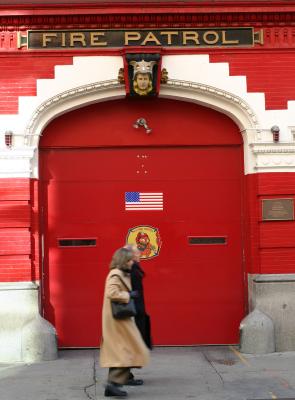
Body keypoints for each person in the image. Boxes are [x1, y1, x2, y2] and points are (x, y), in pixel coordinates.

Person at [100, 247, 150, 398]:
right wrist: (128, 295)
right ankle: (113, 385)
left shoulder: (122, 272)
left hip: (121, 319)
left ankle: (114, 385)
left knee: (124, 351)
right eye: (129, 260)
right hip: (116, 320)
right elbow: (112, 293)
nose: (132, 262)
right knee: (124, 351)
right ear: (123, 260)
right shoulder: (116, 274)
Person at [126, 244, 153, 350]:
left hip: (138, 305)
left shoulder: (134, 267)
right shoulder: (132, 268)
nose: (140, 254)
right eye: (137, 253)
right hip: (135, 306)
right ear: (131, 255)